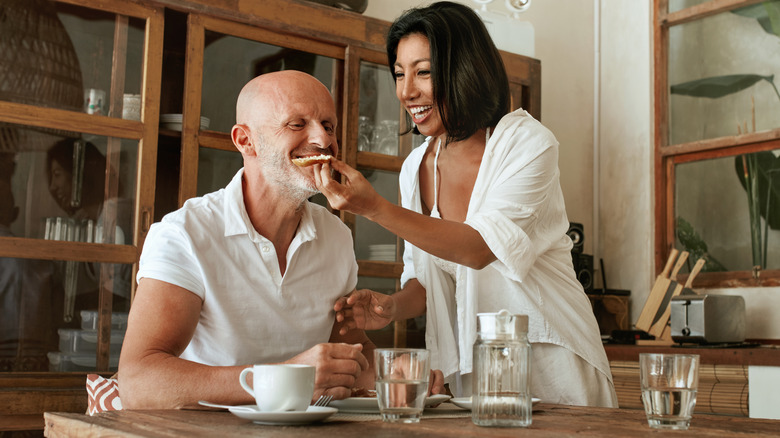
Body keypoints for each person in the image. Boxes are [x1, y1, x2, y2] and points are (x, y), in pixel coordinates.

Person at [314, 2, 618, 407]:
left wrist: (372, 207)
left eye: (423, 72)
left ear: (464, 69)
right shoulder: (414, 168)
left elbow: (477, 249)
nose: (407, 92)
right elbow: (424, 279)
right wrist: (390, 307)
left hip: (554, 367)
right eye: (400, 74)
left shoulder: (526, 143)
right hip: (477, 380)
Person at [119, 71, 444, 409]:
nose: (323, 140)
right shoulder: (184, 234)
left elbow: (346, 356)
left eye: (328, 125)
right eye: (297, 124)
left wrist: (397, 372)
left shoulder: (336, 237)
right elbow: (139, 382)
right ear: (246, 141)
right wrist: (288, 377)